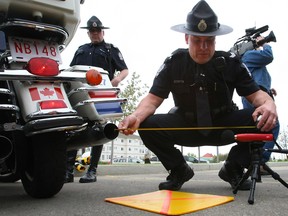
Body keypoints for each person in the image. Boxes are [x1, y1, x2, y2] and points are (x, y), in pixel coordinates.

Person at [118, 0, 278, 191]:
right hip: (186, 125)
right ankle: (179, 169)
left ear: (215, 39)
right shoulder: (174, 63)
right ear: (186, 38)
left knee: (266, 119)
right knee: (146, 123)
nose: (203, 46)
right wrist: (135, 116)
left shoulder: (231, 63)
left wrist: (269, 104)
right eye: (197, 40)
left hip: (224, 125)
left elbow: (257, 95)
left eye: (209, 40)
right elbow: (152, 100)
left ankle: (233, 167)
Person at [65, 15, 129, 183]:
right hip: (81, 93)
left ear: (102, 32)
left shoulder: (110, 49)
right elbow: (71, 70)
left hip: (102, 94)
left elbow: (124, 70)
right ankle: (68, 171)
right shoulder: (81, 49)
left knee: (99, 129)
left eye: (97, 30)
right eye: (91, 31)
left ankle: (92, 171)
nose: (94, 33)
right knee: (74, 128)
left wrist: (117, 80)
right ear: (88, 33)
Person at [241, 36, 280, 171]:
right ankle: (259, 162)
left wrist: (268, 90)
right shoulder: (248, 55)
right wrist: (264, 43)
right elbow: (268, 56)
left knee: (259, 128)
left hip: (259, 94)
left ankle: (254, 163)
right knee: (272, 124)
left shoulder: (250, 59)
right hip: (257, 97)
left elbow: (257, 77)